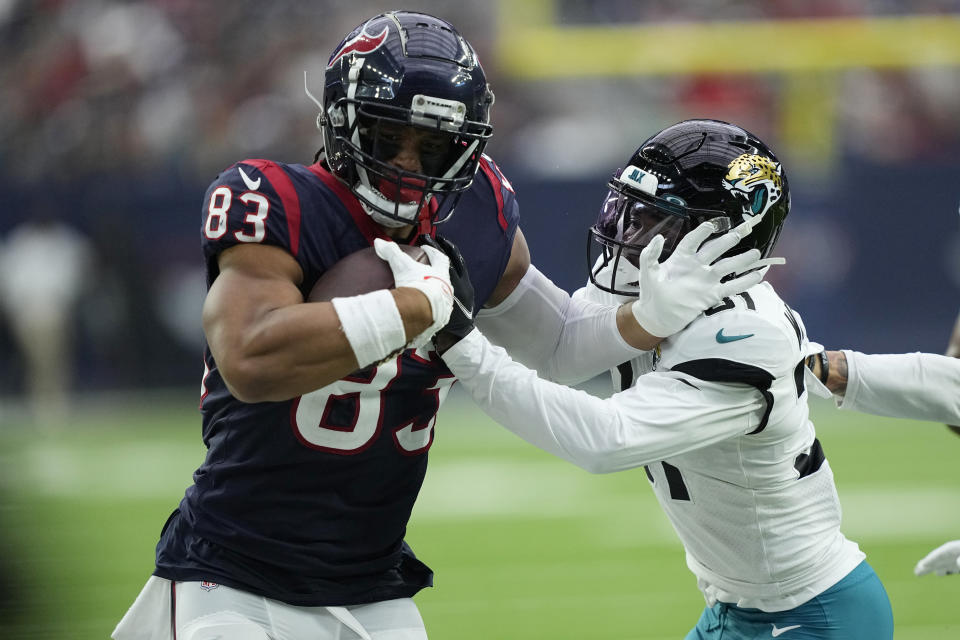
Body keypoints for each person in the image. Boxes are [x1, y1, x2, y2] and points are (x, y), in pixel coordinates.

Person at [111, 13, 771, 640]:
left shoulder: (477, 213)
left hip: (372, 587)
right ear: (339, 124)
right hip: (232, 576)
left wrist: (647, 317)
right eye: (384, 136)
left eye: (434, 147)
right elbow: (249, 361)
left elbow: (561, 344)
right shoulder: (276, 199)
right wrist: (412, 309)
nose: (407, 165)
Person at [434, 119, 960, 639]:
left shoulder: (744, 333)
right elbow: (561, 349)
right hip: (742, 612)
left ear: (727, 238)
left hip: (812, 616)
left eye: (652, 221)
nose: (626, 235)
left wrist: (464, 345)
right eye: (627, 213)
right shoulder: (655, 296)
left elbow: (604, 440)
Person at [0, 210, 94, 427]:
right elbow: (10, 278)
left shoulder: (65, 240)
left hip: (54, 309)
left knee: (55, 359)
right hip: (27, 311)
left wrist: (67, 300)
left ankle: (54, 402)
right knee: (38, 361)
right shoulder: (21, 241)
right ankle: (41, 401)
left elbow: (81, 268)